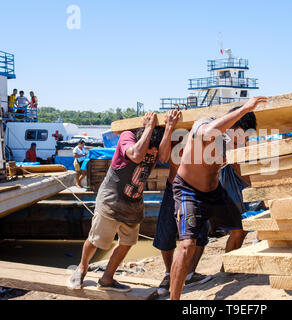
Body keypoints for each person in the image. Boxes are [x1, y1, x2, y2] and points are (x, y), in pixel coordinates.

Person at [67, 111, 179, 292]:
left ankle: (107, 279)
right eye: (151, 147)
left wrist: (169, 128)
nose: (152, 152)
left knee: (127, 242)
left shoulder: (156, 145)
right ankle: (82, 268)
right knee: (96, 239)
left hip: (133, 203)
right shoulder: (128, 136)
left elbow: (165, 158)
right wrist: (149, 127)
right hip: (112, 199)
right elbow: (135, 155)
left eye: (153, 149)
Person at [169, 96, 267, 300]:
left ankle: (227, 270)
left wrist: (263, 190)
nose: (245, 141)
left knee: (239, 230)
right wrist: (243, 109)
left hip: (214, 192)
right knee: (187, 244)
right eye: (245, 136)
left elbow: (239, 169)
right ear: (235, 125)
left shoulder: (232, 143)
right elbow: (206, 132)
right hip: (188, 190)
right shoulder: (204, 124)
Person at [153, 134, 212, 297]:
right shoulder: (174, 140)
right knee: (166, 233)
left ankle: (190, 273)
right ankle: (168, 273)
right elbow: (163, 157)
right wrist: (170, 127)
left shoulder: (203, 139)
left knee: (201, 233)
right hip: (174, 189)